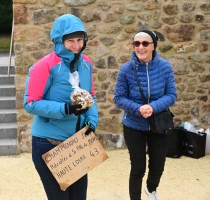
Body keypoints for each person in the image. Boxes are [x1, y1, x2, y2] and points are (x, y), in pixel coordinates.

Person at [23, 14, 98, 200]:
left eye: (80, 40)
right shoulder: (43, 66)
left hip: (77, 142)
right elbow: (30, 103)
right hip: (48, 142)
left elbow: (91, 98)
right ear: (59, 41)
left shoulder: (87, 64)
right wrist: (66, 109)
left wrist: (92, 123)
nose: (76, 45)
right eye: (70, 41)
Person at [113, 30, 177, 200]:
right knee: (138, 168)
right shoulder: (126, 70)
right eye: (136, 43)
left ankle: (151, 189)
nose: (140, 47)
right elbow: (119, 98)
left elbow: (171, 95)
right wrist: (138, 108)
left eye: (145, 43)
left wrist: (153, 107)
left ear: (153, 46)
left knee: (158, 165)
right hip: (134, 125)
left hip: (159, 123)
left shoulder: (165, 67)